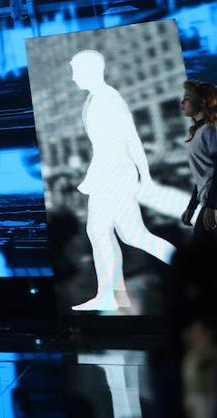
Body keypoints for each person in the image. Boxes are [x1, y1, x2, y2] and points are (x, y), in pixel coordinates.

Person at [69, 49, 175, 311]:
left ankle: (197, 268)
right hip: (110, 173)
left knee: (131, 235)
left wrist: (144, 175)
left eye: (75, 71)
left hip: (114, 174)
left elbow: (129, 139)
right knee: (107, 233)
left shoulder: (108, 98)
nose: (72, 78)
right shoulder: (96, 98)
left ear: (90, 71)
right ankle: (111, 295)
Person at [180, 80, 217, 231]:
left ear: (202, 102)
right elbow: (203, 176)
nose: (182, 101)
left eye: (187, 97)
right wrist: (192, 207)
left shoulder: (209, 131)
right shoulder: (199, 132)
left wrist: (211, 205)